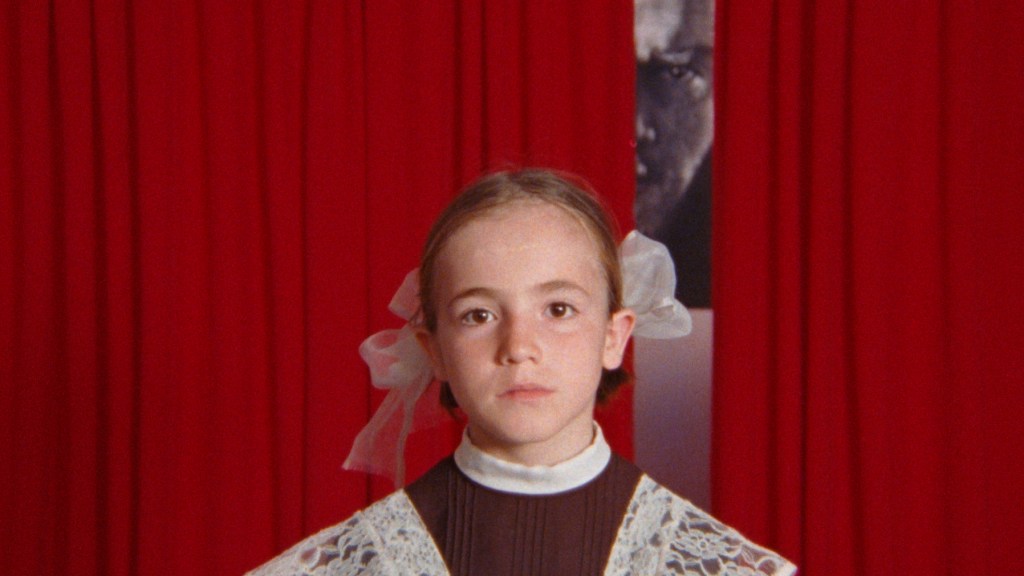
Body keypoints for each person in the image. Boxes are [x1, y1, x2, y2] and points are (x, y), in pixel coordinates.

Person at [247, 169, 796, 576]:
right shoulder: (335, 567)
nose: (519, 347)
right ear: (433, 348)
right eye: (479, 315)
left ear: (614, 336)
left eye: (558, 310)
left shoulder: (725, 567)